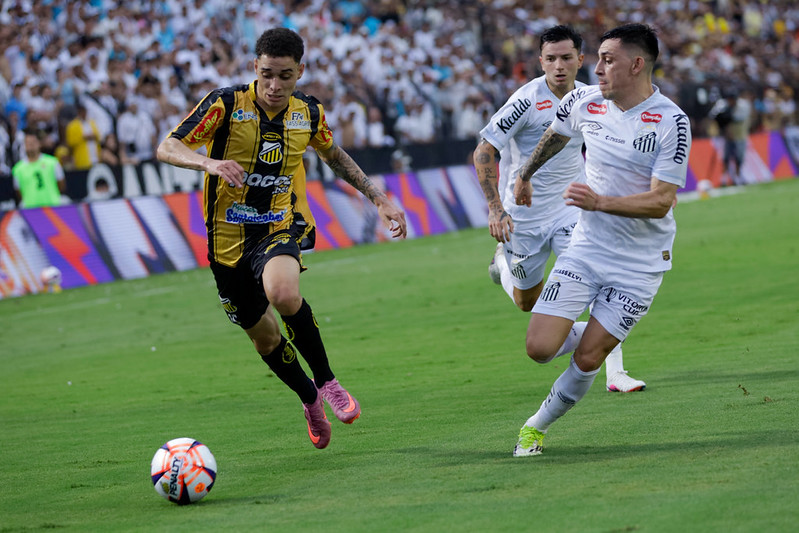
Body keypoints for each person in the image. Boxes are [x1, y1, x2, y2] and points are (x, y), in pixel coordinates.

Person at [156, 28, 407, 450]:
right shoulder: (225, 104)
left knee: (283, 292)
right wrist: (209, 163)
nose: (275, 86)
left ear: (300, 73)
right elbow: (167, 146)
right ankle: (309, 398)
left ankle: (327, 381)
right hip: (226, 242)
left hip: (278, 224)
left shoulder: (307, 113)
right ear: (255, 67)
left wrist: (378, 197)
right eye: (268, 74)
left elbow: (334, 156)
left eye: (285, 76)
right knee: (265, 338)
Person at [510, 23, 691, 457]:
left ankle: (534, 429)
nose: (598, 68)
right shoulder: (584, 101)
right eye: (599, 59)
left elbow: (662, 202)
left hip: (641, 264)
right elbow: (555, 135)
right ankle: (590, 330)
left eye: (608, 60)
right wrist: (524, 174)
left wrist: (599, 202)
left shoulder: (671, 121)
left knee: (589, 359)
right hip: (587, 250)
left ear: (636, 64)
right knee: (538, 349)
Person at [475, 25, 646, 395]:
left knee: (599, 282)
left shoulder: (592, 97)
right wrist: (495, 209)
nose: (559, 65)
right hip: (525, 216)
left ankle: (615, 373)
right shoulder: (524, 100)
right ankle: (503, 265)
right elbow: (485, 151)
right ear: (540, 62)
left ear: (580, 60)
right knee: (527, 302)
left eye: (566, 57)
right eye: (551, 59)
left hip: (572, 209)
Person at [12, 129, 66, 208]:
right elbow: (19, 192)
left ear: (39, 143)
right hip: (30, 210)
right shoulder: (18, 169)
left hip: (53, 208)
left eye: (33, 142)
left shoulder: (52, 162)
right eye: (27, 143)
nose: (30, 145)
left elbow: (61, 186)